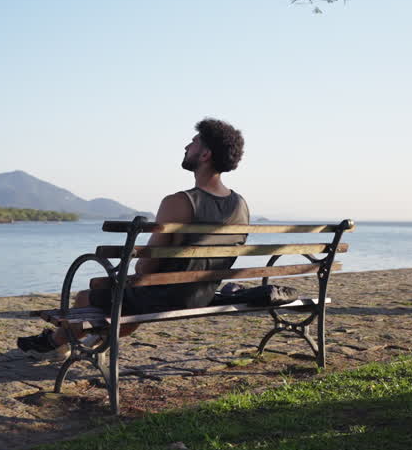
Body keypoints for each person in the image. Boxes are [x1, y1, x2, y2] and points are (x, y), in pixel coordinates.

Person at [17, 118, 249, 357]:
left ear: (205, 155)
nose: (186, 147)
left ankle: (55, 344)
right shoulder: (240, 206)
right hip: (203, 294)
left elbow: (146, 265)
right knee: (115, 293)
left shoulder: (178, 202)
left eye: (193, 143)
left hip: (167, 297)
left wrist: (141, 270)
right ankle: (94, 340)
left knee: (88, 297)